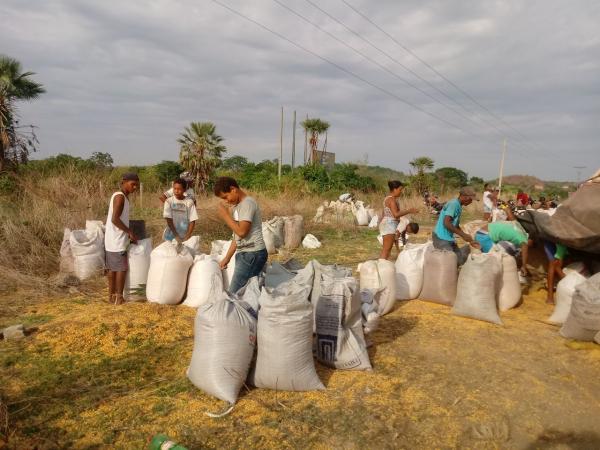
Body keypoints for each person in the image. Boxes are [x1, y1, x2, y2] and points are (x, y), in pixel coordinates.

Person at [214, 176, 268, 294]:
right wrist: (227, 258)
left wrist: (225, 215)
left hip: (252, 254)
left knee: (234, 294)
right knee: (247, 292)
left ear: (233, 189)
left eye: (225, 197)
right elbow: (237, 235)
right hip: (246, 254)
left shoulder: (247, 204)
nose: (226, 201)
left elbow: (242, 232)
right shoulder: (238, 207)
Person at [104, 172, 139, 305]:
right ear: (124, 182)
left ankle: (111, 296)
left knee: (112, 269)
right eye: (133, 184)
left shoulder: (122, 196)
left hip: (112, 239)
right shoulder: (120, 197)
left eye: (137, 185)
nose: (135, 187)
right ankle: (119, 297)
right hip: (117, 239)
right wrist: (129, 231)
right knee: (121, 269)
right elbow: (115, 219)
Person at [432, 186, 481, 265]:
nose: (471, 202)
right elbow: (446, 223)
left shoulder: (458, 205)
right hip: (441, 238)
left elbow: (455, 225)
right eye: (470, 199)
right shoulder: (454, 204)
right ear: (464, 197)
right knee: (450, 262)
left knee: (460, 260)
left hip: (448, 238)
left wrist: (469, 240)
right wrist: (463, 235)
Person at [379, 180, 419, 259]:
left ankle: (382, 266)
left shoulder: (388, 199)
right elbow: (396, 215)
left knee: (387, 250)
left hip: (387, 225)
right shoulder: (392, 200)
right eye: (400, 190)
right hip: (389, 226)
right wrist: (409, 211)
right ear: (394, 189)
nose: (401, 192)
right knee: (386, 251)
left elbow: (384, 214)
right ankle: (381, 266)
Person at [163, 178, 198, 243]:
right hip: (170, 235)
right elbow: (169, 220)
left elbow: (192, 220)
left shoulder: (189, 202)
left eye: (179, 189)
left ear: (184, 190)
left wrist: (187, 236)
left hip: (184, 236)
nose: (176, 191)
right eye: (175, 189)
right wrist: (176, 235)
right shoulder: (168, 201)